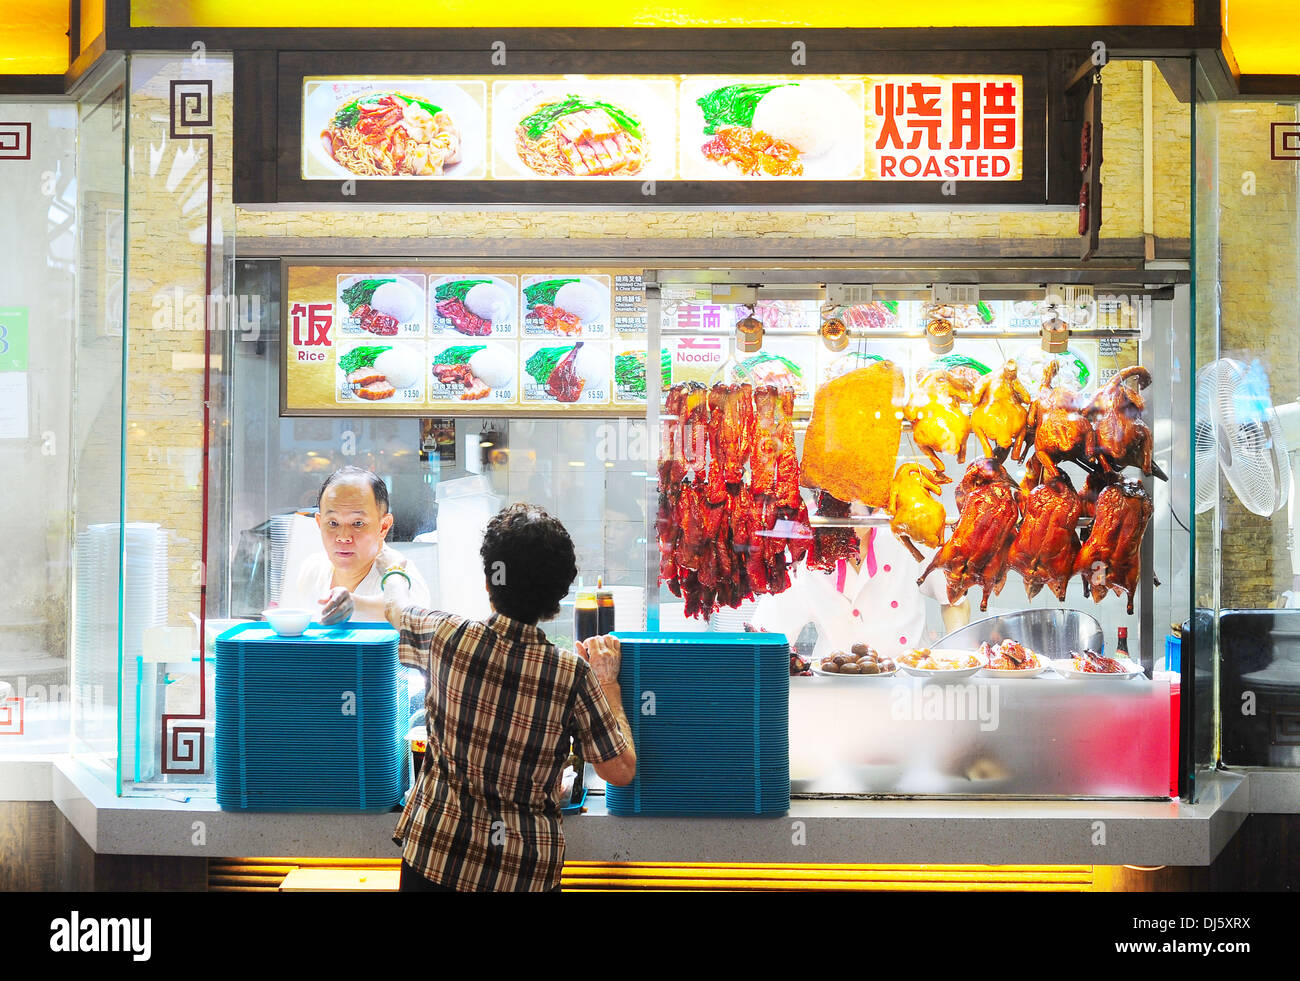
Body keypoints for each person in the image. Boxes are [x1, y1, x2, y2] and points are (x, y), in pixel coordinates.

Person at [377, 503, 636, 892]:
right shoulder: (571, 674)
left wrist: (392, 567)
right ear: (558, 597)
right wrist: (610, 686)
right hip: (521, 875)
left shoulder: (447, 635)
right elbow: (620, 771)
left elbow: (396, 607)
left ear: (489, 580)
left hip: (434, 859)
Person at [751, 512, 970, 662]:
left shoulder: (907, 537)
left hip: (910, 684)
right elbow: (766, 636)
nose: (853, 511)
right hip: (837, 685)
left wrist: (956, 659)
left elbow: (955, 601)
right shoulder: (804, 557)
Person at [277, 466, 430, 624]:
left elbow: (408, 616)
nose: (343, 537)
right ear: (319, 523)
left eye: (358, 523)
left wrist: (356, 605)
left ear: (384, 526)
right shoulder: (312, 569)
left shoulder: (400, 575)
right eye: (333, 523)